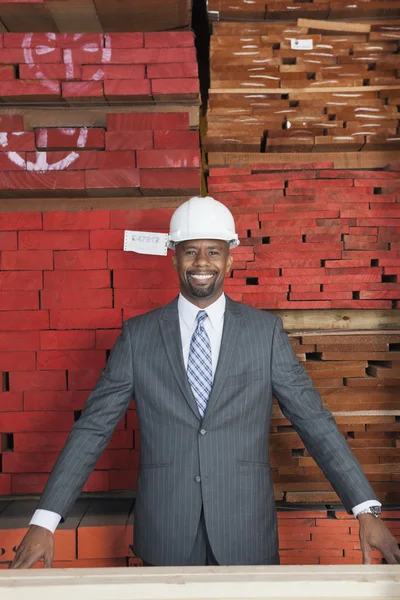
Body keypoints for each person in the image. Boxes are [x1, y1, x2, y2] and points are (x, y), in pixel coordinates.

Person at [10, 197, 400, 568]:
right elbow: (93, 428)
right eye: (190, 250)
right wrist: (44, 520)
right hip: (166, 532)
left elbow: (314, 420)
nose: (201, 261)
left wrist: (365, 509)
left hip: (246, 531)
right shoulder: (138, 336)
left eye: (212, 251)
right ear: (174, 256)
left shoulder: (264, 334)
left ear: (229, 259)